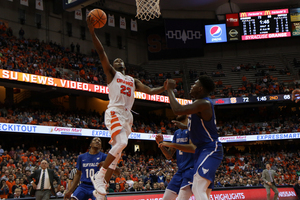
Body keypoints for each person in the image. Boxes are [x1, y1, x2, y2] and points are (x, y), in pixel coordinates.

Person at [86, 16, 167, 197]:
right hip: (114, 111)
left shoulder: (132, 80)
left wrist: (164, 88)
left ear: (124, 65)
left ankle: (103, 187)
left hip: (128, 116)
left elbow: (150, 91)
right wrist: (92, 32)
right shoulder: (112, 74)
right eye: (114, 60)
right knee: (122, 142)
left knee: (119, 151)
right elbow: (101, 53)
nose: (117, 60)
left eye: (119, 60)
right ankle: (99, 176)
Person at [161, 76, 223, 200]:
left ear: (200, 88)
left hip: (210, 148)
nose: (191, 87)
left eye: (194, 84)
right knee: (200, 188)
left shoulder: (204, 103)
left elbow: (178, 110)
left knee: (198, 187)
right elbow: (202, 126)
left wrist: (169, 90)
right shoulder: (198, 104)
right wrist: (185, 126)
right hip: (202, 149)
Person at [155, 115, 194, 200]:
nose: (177, 113)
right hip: (180, 171)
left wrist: (171, 144)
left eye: (180, 111)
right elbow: (169, 155)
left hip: (191, 170)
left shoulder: (192, 130)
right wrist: (161, 144)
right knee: (165, 198)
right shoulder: (177, 132)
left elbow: (193, 148)